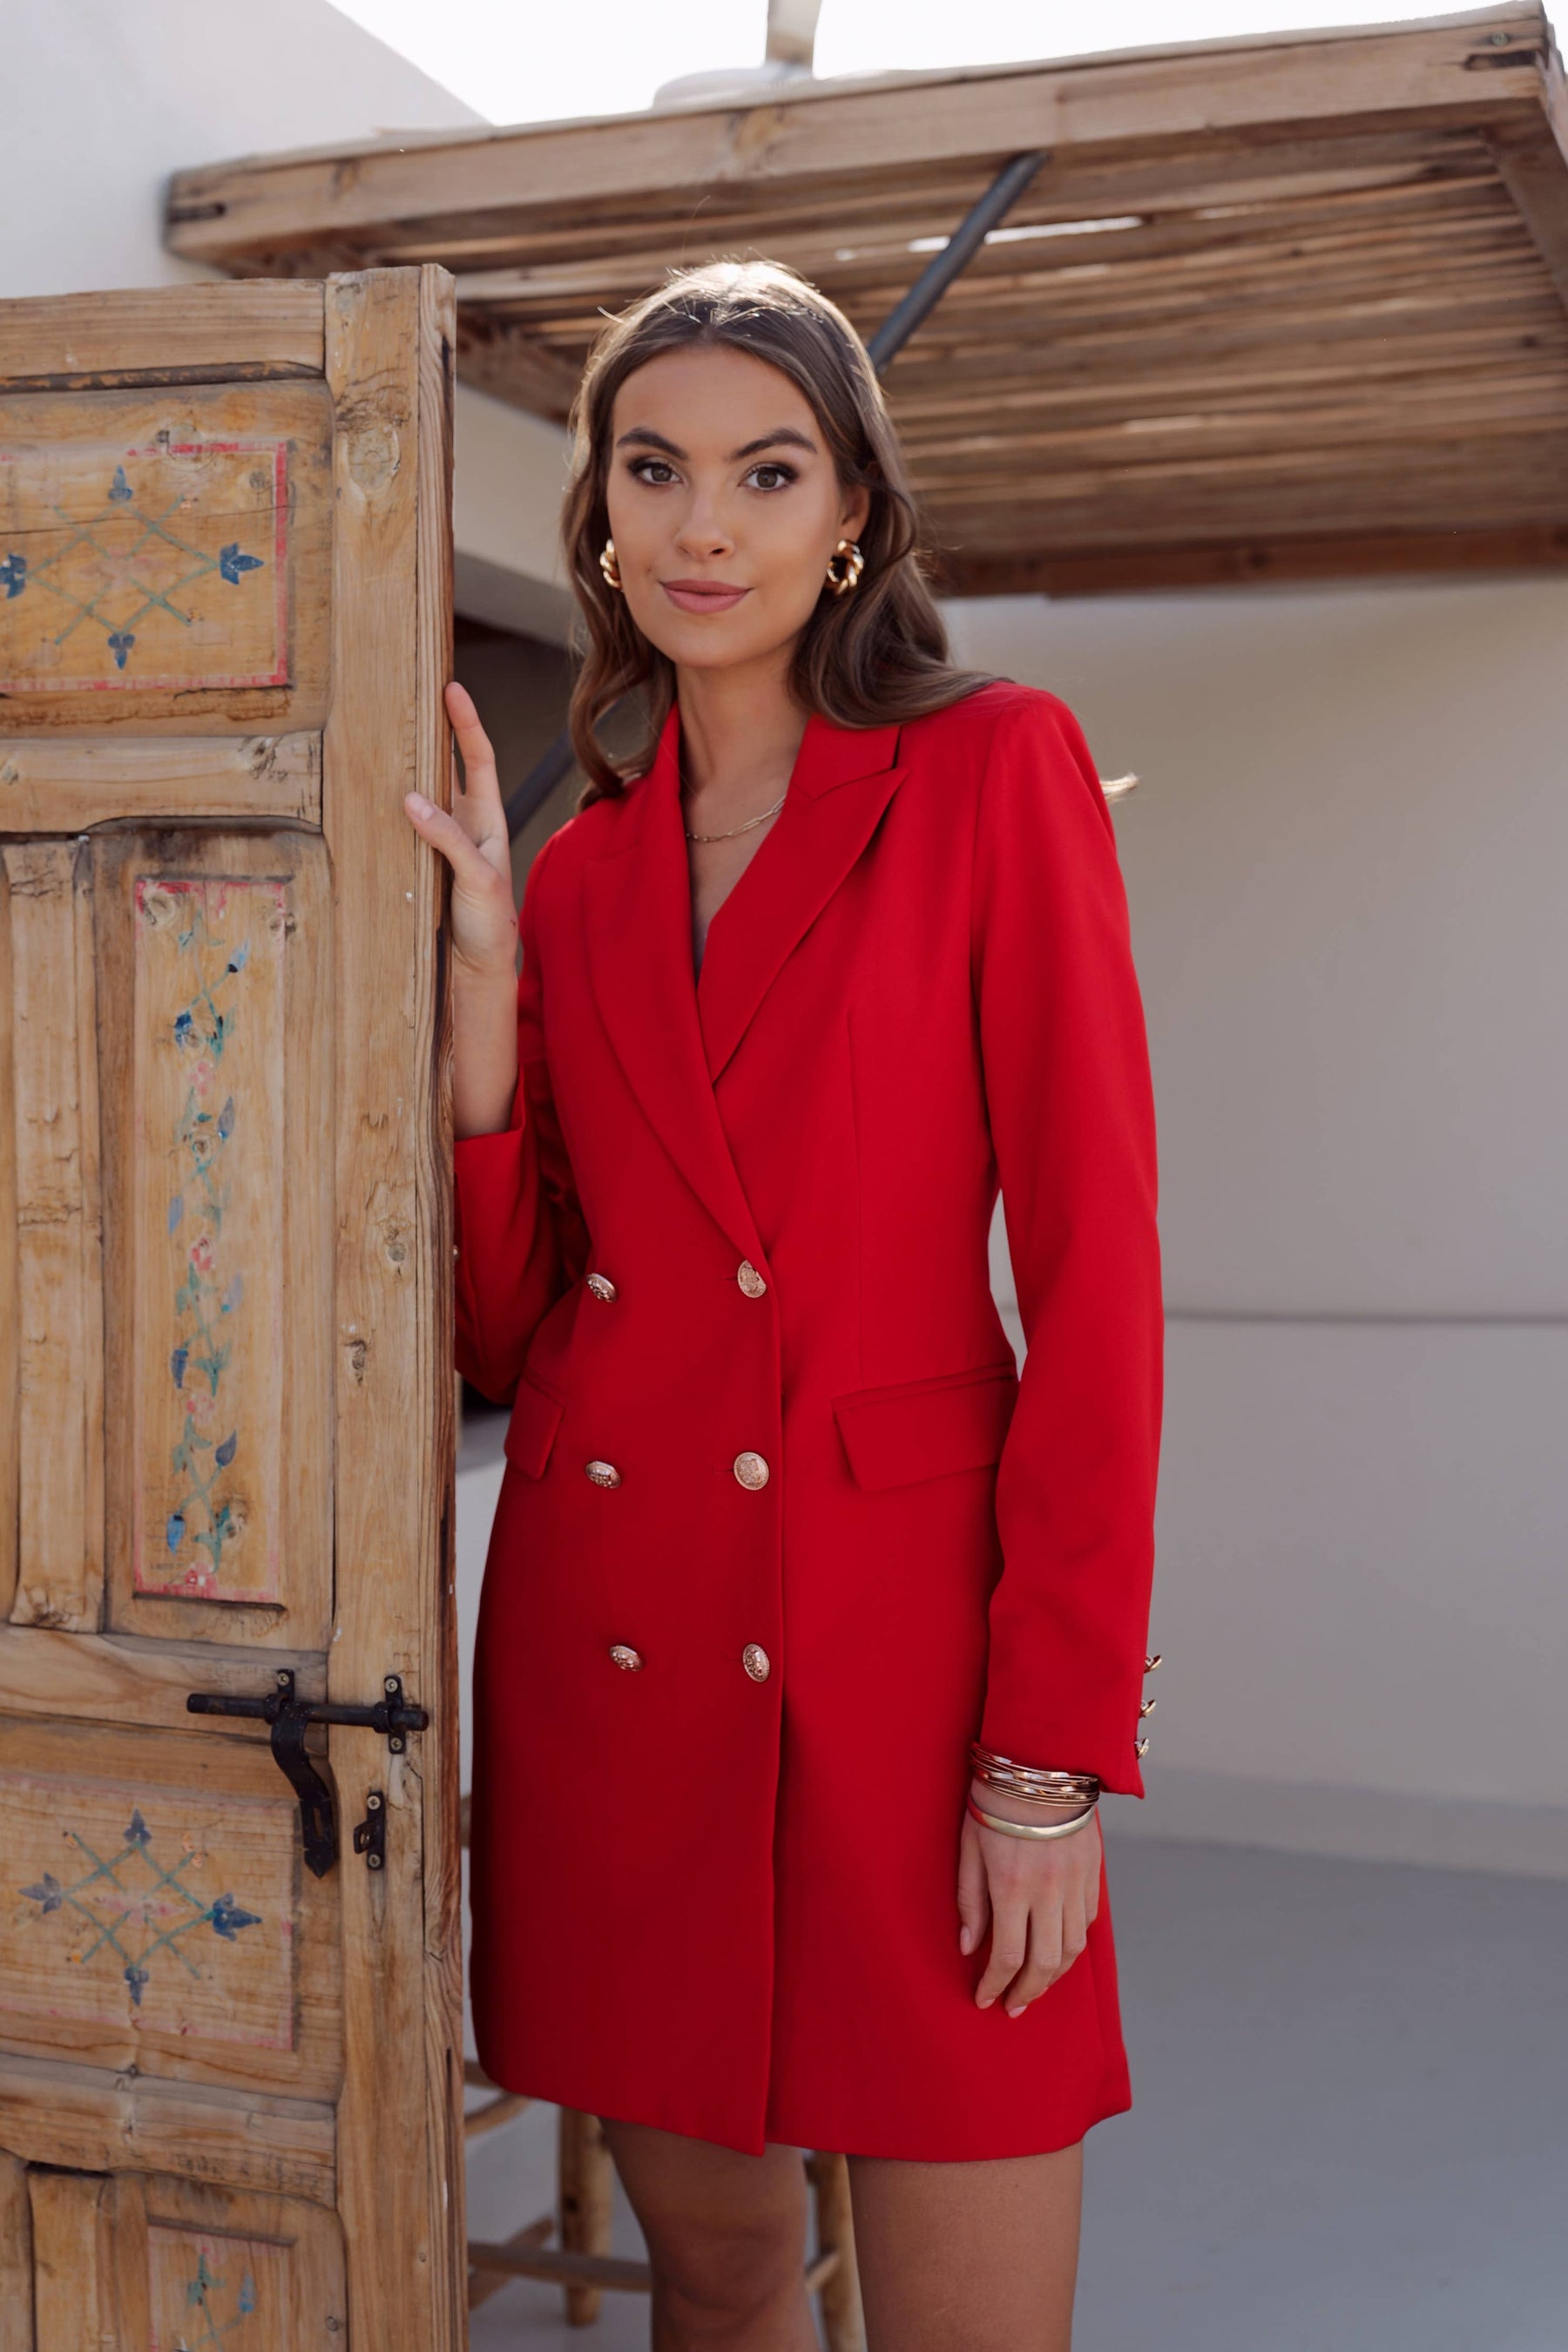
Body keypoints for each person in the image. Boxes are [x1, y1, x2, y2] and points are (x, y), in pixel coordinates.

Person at [404, 259, 1162, 2352]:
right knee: (722, 2292)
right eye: (654, 472)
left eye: (764, 470)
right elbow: (506, 1338)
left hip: (916, 1679)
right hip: (619, 1656)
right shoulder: (575, 872)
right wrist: (484, 992)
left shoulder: (998, 772)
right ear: (603, 514)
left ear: (852, 520)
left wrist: (1048, 1768)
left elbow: (1102, 1290)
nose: (702, 526)